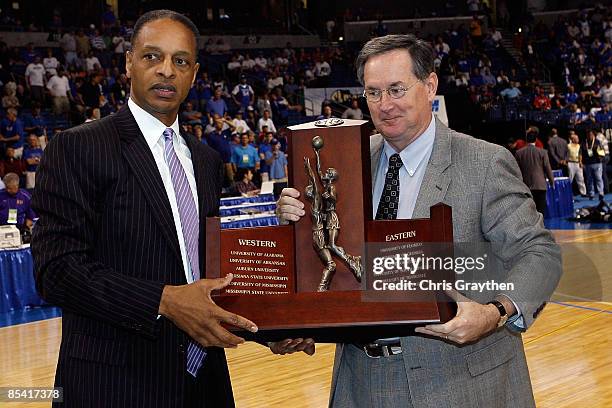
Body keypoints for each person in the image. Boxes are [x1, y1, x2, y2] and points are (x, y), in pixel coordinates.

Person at [274, 34, 561, 408]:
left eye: (396, 89)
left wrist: (494, 313)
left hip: (459, 382)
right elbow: (335, 262)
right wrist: (295, 224)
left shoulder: (483, 162)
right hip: (363, 382)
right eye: (373, 93)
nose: (384, 105)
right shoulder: (346, 160)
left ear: (429, 85)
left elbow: (540, 252)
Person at [31, 10, 257, 408]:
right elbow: (57, 271)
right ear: (128, 62)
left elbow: (203, 273)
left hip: (205, 382)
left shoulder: (205, 161)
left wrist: (273, 326)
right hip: (114, 384)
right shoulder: (78, 147)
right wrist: (163, 300)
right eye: (153, 56)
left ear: (195, 72)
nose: (167, 71)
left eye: (180, 61)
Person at [515, 127, 555, 216]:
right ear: (536, 140)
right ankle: (540, 229)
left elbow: (517, 171)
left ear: (526, 139)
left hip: (526, 187)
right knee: (540, 212)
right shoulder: (543, 152)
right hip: (540, 186)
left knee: (529, 212)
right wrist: (552, 182)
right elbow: (547, 168)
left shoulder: (519, 153)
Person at [582, 129, 605, 201]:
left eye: (591, 134)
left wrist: (600, 157)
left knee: (598, 178)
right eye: (588, 135)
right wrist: (581, 162)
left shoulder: (597, 142)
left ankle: (601, 193)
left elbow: (602, 153)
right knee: (589, 180)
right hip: (587, 164)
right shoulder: (584, 143)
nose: (589, 136)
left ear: (593, 135)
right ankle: (591, 194)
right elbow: (580, 152)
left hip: (597, 163)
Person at [567, 131, 587, 196]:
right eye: (576, 138)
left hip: (578, 163)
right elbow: (566, 154)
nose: (578, 140)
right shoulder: (568, 146)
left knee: (581, 179)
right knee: (570, 179)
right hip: (571, 163)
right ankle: (568, 193)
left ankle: (583, 193)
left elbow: (580, 154)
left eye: (578, 138)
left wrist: (581, 162)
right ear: (572, 139)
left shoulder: (579, 146)